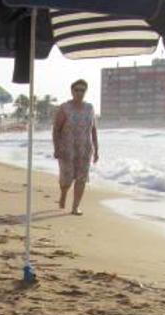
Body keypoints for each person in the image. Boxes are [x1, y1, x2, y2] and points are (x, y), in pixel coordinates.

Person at [52, 79, 99, 215]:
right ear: (72, 91)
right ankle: (63, 194)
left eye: (82, 90)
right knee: (66, 179)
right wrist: (57, 148)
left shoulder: (89, 108)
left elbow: (93, 129)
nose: (79, 92)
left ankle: (75, 206)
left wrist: (96, 150)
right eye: (77, 90)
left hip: (84, 149)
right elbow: (56, 129)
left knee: (81, 178)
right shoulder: (64, 108)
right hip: (67, 149)